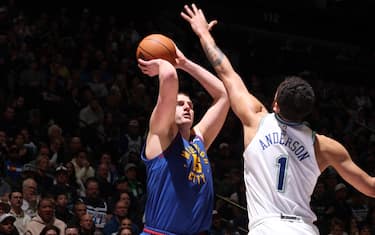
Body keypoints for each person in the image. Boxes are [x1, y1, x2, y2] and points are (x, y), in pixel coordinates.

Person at [181, 3, 375, 235]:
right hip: (304, 229)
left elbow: (226, 71)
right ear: (308, 113)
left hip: (267, 228)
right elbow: (371, 188)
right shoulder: (324, 146)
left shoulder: (255, 119)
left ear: (275, 103)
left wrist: (203, 33)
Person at [137, 40, 229, 234]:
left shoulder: (198, 140)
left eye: (191, 105)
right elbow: (169, 77)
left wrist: (185, 63)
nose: (187, 106)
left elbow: (223, 95)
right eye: (180, 103)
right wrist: (162, 63)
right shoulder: (160, 136)